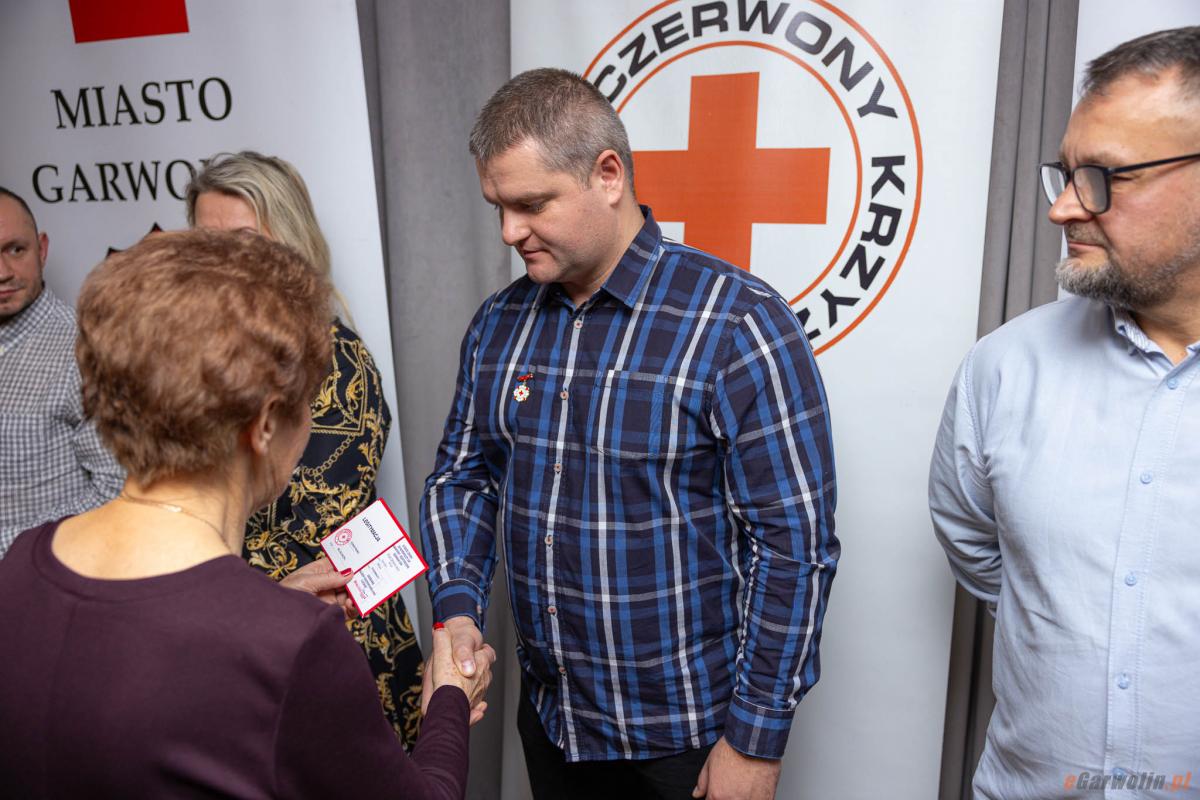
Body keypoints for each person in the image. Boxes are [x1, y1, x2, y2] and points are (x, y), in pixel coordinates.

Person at [420, 68, 838, 800]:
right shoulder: (498, 323)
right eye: (499, 207)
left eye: (531, 204)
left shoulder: (738, 325)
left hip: (687, 740)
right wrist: (457, 607)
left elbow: (792, 548)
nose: (510, 232)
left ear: (608, 175)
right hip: (553, 723)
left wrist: (755, 741)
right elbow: (464, 477)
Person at [0, 230, 495, 798]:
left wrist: (268, 603)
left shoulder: (20, 566)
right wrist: (448, 702)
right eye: (308, 402)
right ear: (263, 425)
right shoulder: (292, 644)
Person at [929, 27, 1200, 800]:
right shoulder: (1004, 367)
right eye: (1067, 172)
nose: (1062, 208)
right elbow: (978, 547)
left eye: (1103, 177)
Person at [185, 152, 424, 746]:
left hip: (325, 639)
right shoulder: (197, 356)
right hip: (234, 639)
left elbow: (297, 545)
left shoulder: (334, 362)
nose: (224, 264)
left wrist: (191, 607)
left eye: (245, 241)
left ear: (289, 243)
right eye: (207, 243)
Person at [0, 186, 124, 556]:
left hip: (37, 579)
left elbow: (117, 490)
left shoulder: (85, 351)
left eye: (15, 250)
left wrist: (13, 549)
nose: (3, 272)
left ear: (42, 249)